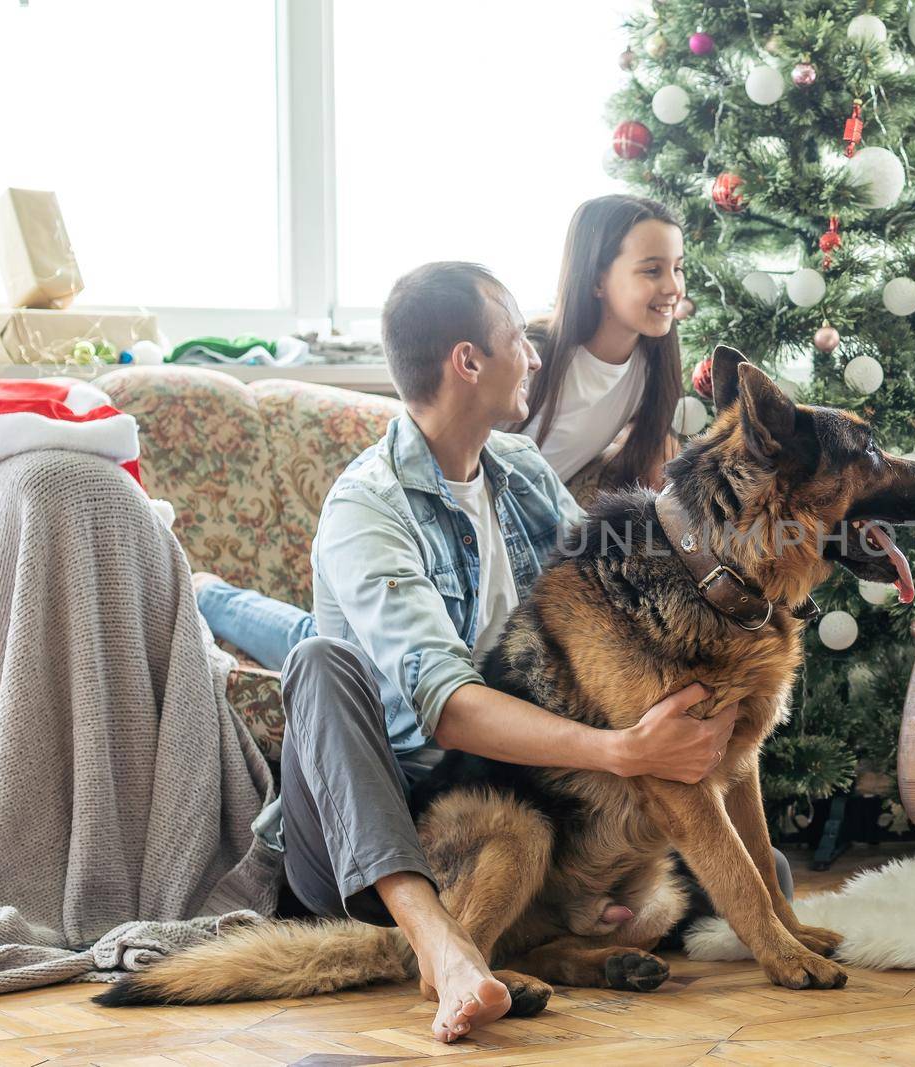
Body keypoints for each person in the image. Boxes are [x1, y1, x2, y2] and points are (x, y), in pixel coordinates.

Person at [269, 261, 735, 1043]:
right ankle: (442, 945)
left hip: (510, 806)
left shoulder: (519, 473)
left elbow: (611, 604)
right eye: (518, 335)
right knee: (319, 661)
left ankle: (551, 945)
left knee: (753, 877)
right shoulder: (367, 507)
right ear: (468, 361)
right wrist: (622, 751)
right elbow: (447, 710)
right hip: (377, 827)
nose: (535, 353)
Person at [193, 193, 686, 669]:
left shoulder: (644, 368)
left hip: (514, 521)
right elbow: (454, 433)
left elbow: (615, 515)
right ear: (597, 278)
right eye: (651, 268)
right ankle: (209, 595)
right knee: (336, 646)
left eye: (677, 267)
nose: (672, 286)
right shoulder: (535, 362)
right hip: (442, 497)